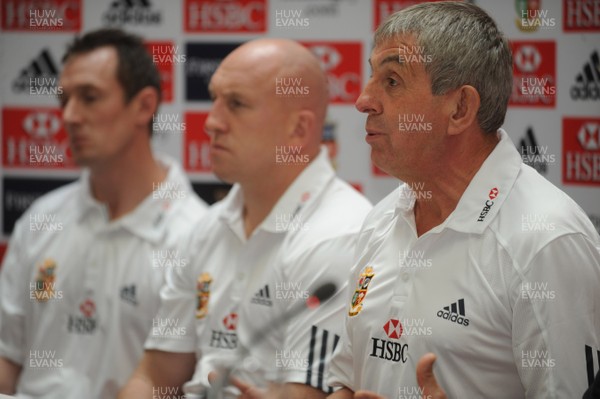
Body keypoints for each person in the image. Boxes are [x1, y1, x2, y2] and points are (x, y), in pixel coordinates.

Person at [326, 2, 600, 399]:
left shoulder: (547, 239)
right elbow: (347, 382)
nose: (363, 99)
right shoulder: (382, 219)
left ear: (459, 109)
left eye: (392, 81)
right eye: (372, 75)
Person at [119, 38, 372, 399]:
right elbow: (154, 375)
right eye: (214, 99)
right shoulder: (207, 227)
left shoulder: (339, 232)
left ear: (298, 130)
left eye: (236, 104)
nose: (211, 122)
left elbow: (306, 396)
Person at [0, 28, 207, 398]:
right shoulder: (41, 219)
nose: (69, 116)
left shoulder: (197, 235)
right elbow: (6, 356)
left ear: (144, 106)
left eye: (89, 98)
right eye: (63, 99)